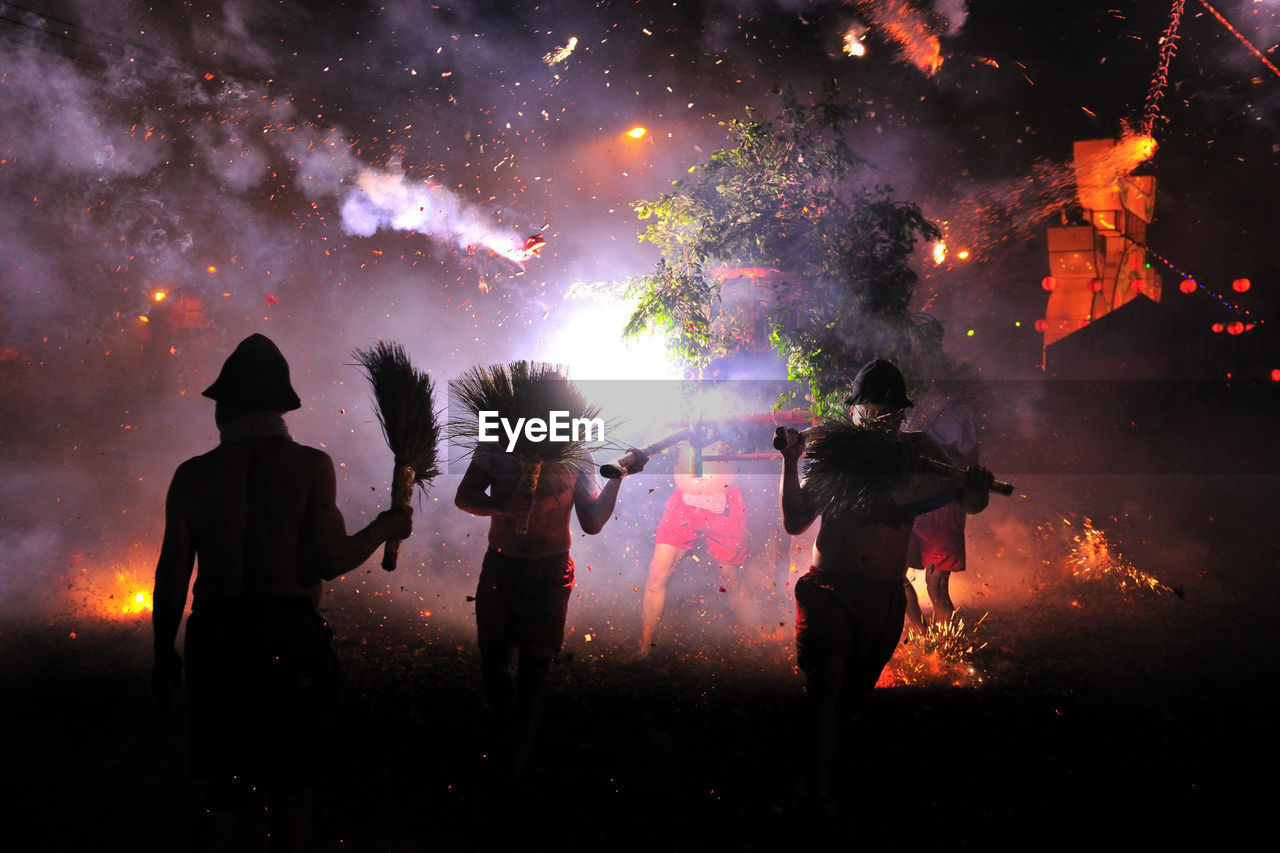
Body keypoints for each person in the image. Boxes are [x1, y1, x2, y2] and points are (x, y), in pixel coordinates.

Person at [151, 333, 413, 852]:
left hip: (216, 640)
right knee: (293, 789)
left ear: (225, 407)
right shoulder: (309, 466)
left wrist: (163, 650)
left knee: (226, 782)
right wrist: (385, 526)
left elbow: (172, 573)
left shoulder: (192, 475)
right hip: (287, 642)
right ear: (281, 407)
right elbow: (331, 561)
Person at [777, 358, 993, 818]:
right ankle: (815, 796)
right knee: (825, 692)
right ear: (855, 410)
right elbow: (796, 523)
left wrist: (978, 485)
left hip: (883, 601)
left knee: (853, 700)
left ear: (901, 415)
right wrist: (790, 462)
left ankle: (839, 786)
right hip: (830, 593)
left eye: (891, 411)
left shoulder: (916, 455)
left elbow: (971, 503)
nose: (882, 418)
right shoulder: (835, 454)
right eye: (873, 409)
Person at [454, 418, 646, 782]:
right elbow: (465, 496)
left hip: (550, 573)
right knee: (493, 663)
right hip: (502, 567)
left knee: (533, 673)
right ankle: (502, 735)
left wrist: (616, 478)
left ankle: (514, 767)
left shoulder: (576, 456)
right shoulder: (498, 446)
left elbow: (591, 522)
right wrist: (504, 507)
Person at [635, 439, 749, 657]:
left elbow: (720, 482)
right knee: (656, 575)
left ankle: (752, 638)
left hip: (725, 505)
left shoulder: (728, 433)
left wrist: (698, 479)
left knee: (732, 579)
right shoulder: (682, 429)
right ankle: (644, 647)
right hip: (685, 504)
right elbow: (681, 478)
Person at [903, 398, 981, 632]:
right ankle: (921, 636)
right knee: (894, 575)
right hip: (907, 499)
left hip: (943, 501)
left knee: (936, 584)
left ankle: (945, 653)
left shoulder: (958, 412)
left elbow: (971, 462)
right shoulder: (899, 409)